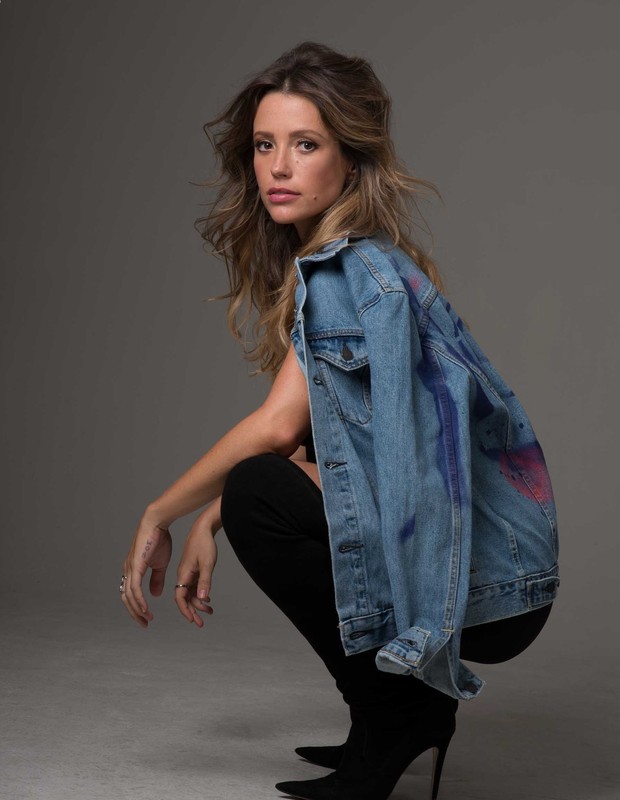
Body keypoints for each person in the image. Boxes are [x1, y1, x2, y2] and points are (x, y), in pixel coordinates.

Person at [120, 41, 559, 800]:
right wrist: (211, 516)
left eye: (305, 144)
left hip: (480, 582)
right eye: (265, 145)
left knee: (258, 491)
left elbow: (274, 433)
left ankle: (398, 715)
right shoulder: (362, 265)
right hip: (506, 574)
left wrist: (162, 512)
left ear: (350, 161)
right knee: (253, 492)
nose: (278, 167)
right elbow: (360, 456)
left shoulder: (350, 273)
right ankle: (391, 717)